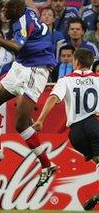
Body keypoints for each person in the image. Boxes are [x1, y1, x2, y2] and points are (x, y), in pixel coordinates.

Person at [0, 0, 57, 188]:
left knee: (20, 124)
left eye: (6, 8)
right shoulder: (26, 12)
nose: (3, 11)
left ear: (16, 8)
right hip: (21, 65)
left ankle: (47, 164)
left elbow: (18, 46)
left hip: (35, 69)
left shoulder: (22, 20)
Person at [31, 48, 99, 210]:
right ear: (91, 63)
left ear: (75, 61)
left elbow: (54, 98)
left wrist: (41, 120)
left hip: (75, 133)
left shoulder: (65, 80)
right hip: (94, 125)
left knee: (97, 160)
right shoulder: (98, 79)